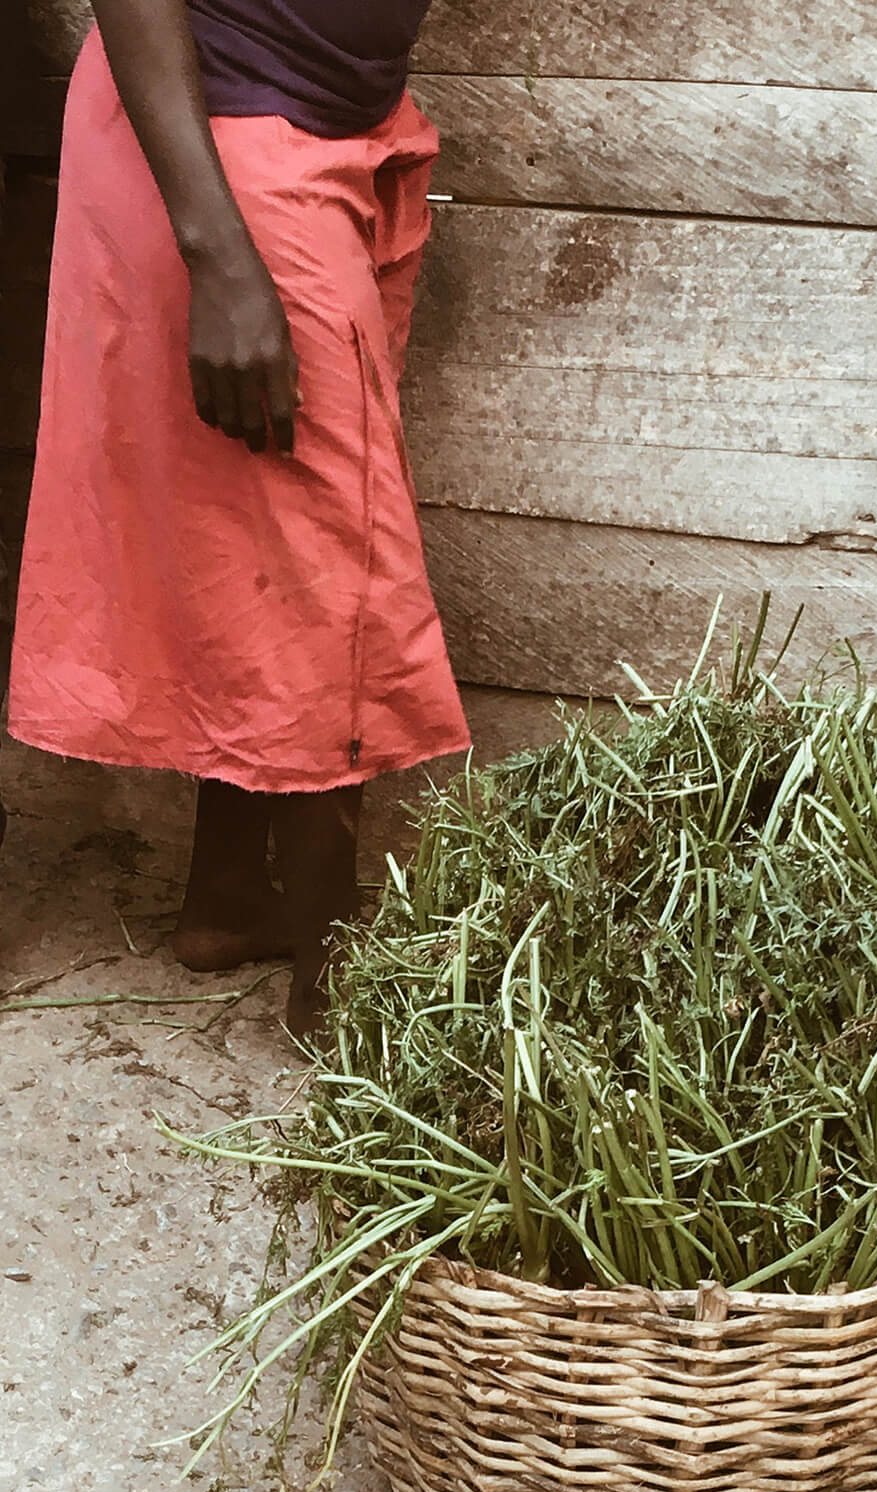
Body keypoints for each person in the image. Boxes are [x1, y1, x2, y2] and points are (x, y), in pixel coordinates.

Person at [7, 1, 469, 1034]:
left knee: (264, 523)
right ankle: (333, 978)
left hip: (326, 121)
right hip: (219, 144)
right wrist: (219, 258)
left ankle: (228, 897)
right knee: (326, 552)